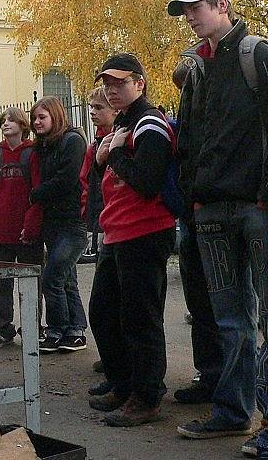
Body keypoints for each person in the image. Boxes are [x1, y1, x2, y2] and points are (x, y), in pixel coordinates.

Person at [166, 0, 268, 454]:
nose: (189, 16)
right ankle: (234, 413)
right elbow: (190, 140)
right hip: (211, 212)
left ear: (223, 6)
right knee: (230, 321)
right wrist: (195, 199)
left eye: (197, 7)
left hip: (254, 208)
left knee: (261, 316)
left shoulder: (255, 55)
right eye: (185, 10)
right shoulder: (198, 70)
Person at [87, 53, 177, 428]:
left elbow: (148, 180)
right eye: (107, 84)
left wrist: (112, 155)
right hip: (119, 229)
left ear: (140, 83)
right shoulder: (125, 122)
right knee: (105, 311)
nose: (112, 90)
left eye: (120, 83)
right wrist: (106, 156)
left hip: (145, 231)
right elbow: (100, 173)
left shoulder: (149, 122)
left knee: (141, 318)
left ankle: (146, 396)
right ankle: (124, 384)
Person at [170, 57, 224, 407]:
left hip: (211, 209)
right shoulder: (186, 116)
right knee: (203, 303)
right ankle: (212, 375)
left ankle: (223, 380)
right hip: (193, 211)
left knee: (224, 307)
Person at [27, 96, 88, 354]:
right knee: (66, 279)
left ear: (55, 116)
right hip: (53, 222)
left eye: (42, 117)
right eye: (34, 118)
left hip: (72, 223)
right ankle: (75, 331)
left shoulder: (72, 141)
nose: (36, 122)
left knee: (52, 277)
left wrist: (36, 193)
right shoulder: (44, 146)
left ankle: (56, 330)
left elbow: (66, 179)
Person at [0, 107, 44, 346]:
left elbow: (37, 190)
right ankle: (3, 328)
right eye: (3, 121)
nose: (6, 124)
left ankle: (32, 326)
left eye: (11, 120)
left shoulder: (31, 153)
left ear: (22, 125)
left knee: (32, 282)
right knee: (2, 283)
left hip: (26, 230)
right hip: (1, 230)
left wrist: (31, 225)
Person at [80, 86, 118, 393]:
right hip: (104, 225)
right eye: (90, 107)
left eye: (98, 107)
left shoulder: (118, 139)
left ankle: (121, 372)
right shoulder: (95, 144)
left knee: (112, 306)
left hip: (119, 228)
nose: (92, 112)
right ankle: (114, 367)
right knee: (103, 307)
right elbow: (89, 182)